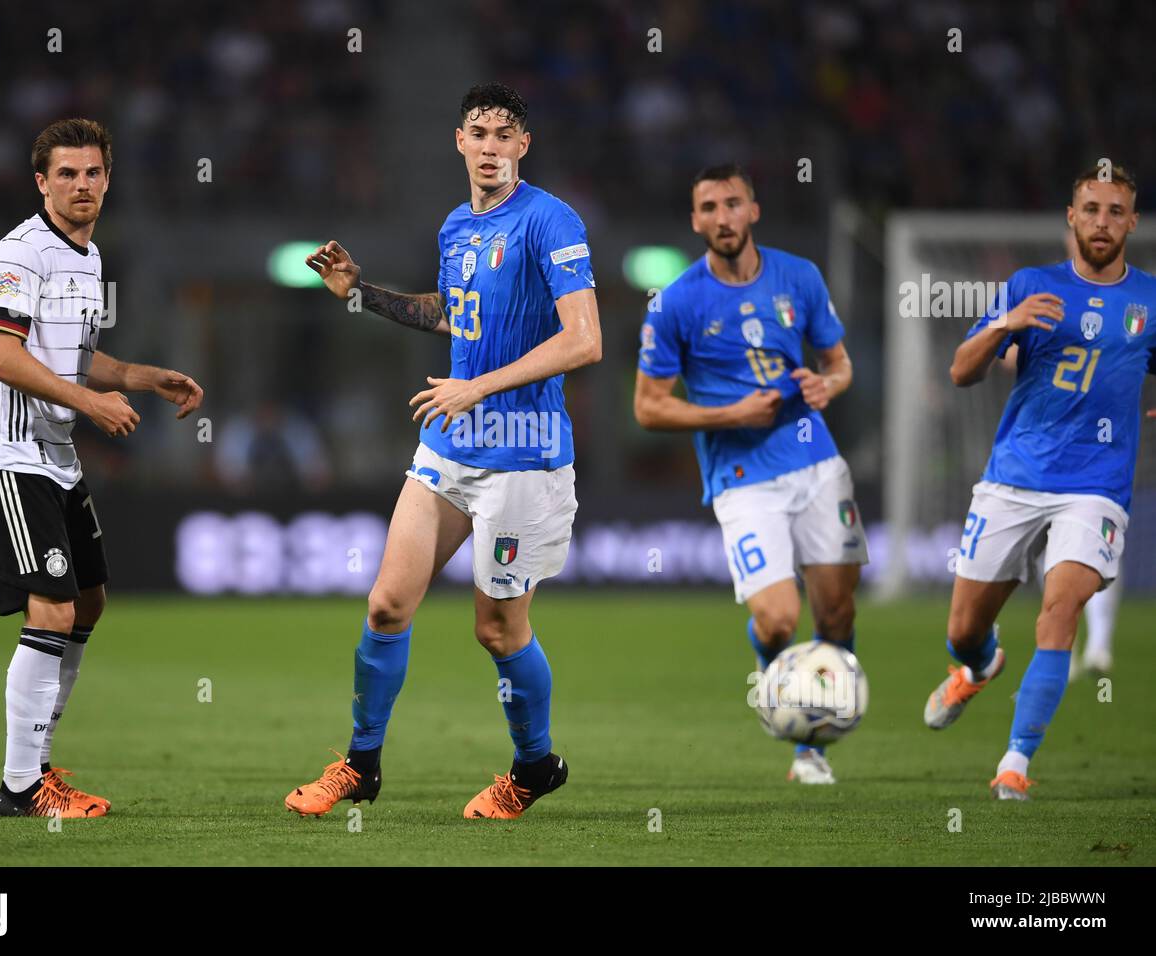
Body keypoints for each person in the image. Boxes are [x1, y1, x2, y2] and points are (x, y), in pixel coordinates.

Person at [285, 83, 601, 819]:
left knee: (497, 629)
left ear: (524, 146)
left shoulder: (551, 220)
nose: (490, 147)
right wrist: (360, 293)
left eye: (504, 135)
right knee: (388, 604)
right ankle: (361, 765)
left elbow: (585, 340)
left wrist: (477, 385)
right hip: (453, 443)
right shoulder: (457, 225)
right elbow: (452, 316)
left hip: (524, 449)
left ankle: (533, 767)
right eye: (478, 133)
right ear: (458, 141)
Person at [0, 118, 203, 817]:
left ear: (108, 178)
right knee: (55, 607)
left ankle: (38, 765)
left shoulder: (90, 260)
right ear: (42, 182)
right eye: (66, 174)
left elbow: (77, 354)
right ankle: (21, 787)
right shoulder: (20, 253)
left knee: (89, 602)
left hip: (55, 458)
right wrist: (91, 404)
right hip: (8, 455)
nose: (82, 184)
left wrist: (142, 376)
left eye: (93, 172)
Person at [923, 165, 1155, 800]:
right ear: (1070, 217)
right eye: (1091, 209)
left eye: (1115, 211)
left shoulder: (1150, 301)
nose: (1102, 221)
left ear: (1132, 222)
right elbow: (961, 372)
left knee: (1061, 609)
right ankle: (977, 666)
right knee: (963, 630)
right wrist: (1004, 323)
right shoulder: (1031, 287)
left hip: (1096, 486)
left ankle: (1015, 762)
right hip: (1015, 477)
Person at [634, 164, 866, 784]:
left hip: (817, 463)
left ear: (753, 210)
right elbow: (648, 406)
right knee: (778, 619)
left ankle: (816, 734)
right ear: (695, 220)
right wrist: (730, 412)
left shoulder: (801, 278)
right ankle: (787, 711)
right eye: (708, 207)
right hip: (742, 476)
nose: (722, 217)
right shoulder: (677, 301)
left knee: (838, 615)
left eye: (732, 204)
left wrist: (827, 384)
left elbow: (839, 364)